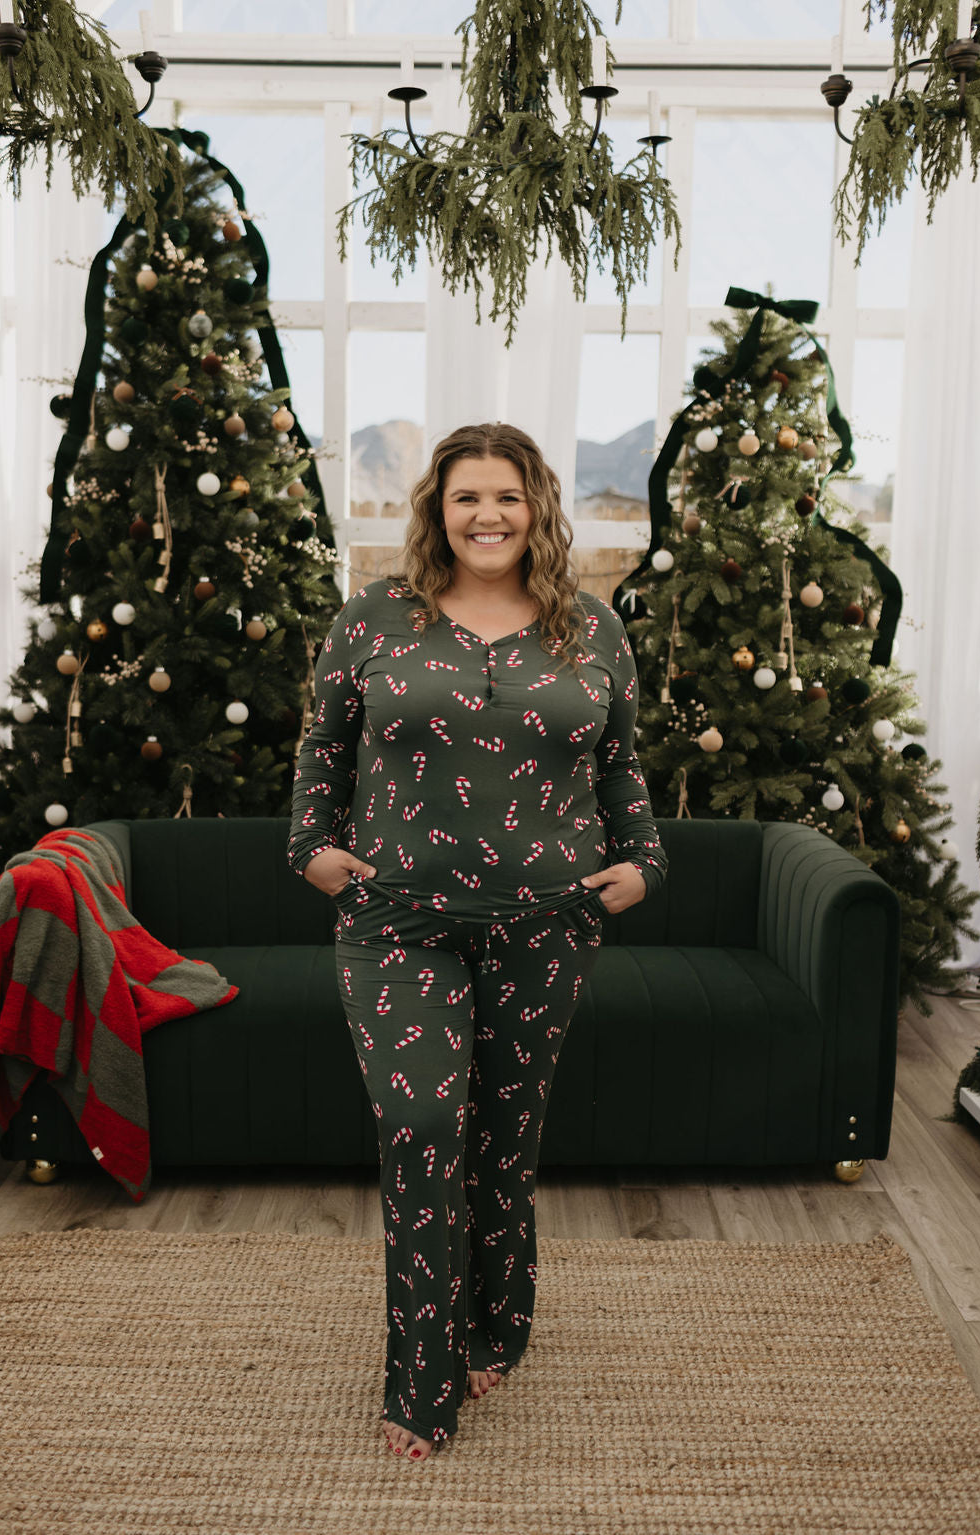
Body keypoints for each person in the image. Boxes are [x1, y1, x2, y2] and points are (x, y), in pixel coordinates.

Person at [287, 422, 668, 1462]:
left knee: (503, 1138)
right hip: (397, 919)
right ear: (437, 510)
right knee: (419, 1125)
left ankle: (501, 1322)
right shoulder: (374, 621)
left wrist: (641, 861)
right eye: (467, 497)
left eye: (507, 496)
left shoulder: (590, 629)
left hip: (547, 920)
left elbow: (623, 760)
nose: (487, 515)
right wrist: (312, 849)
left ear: (538, 506)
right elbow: (323, 744)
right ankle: (422, 1376)